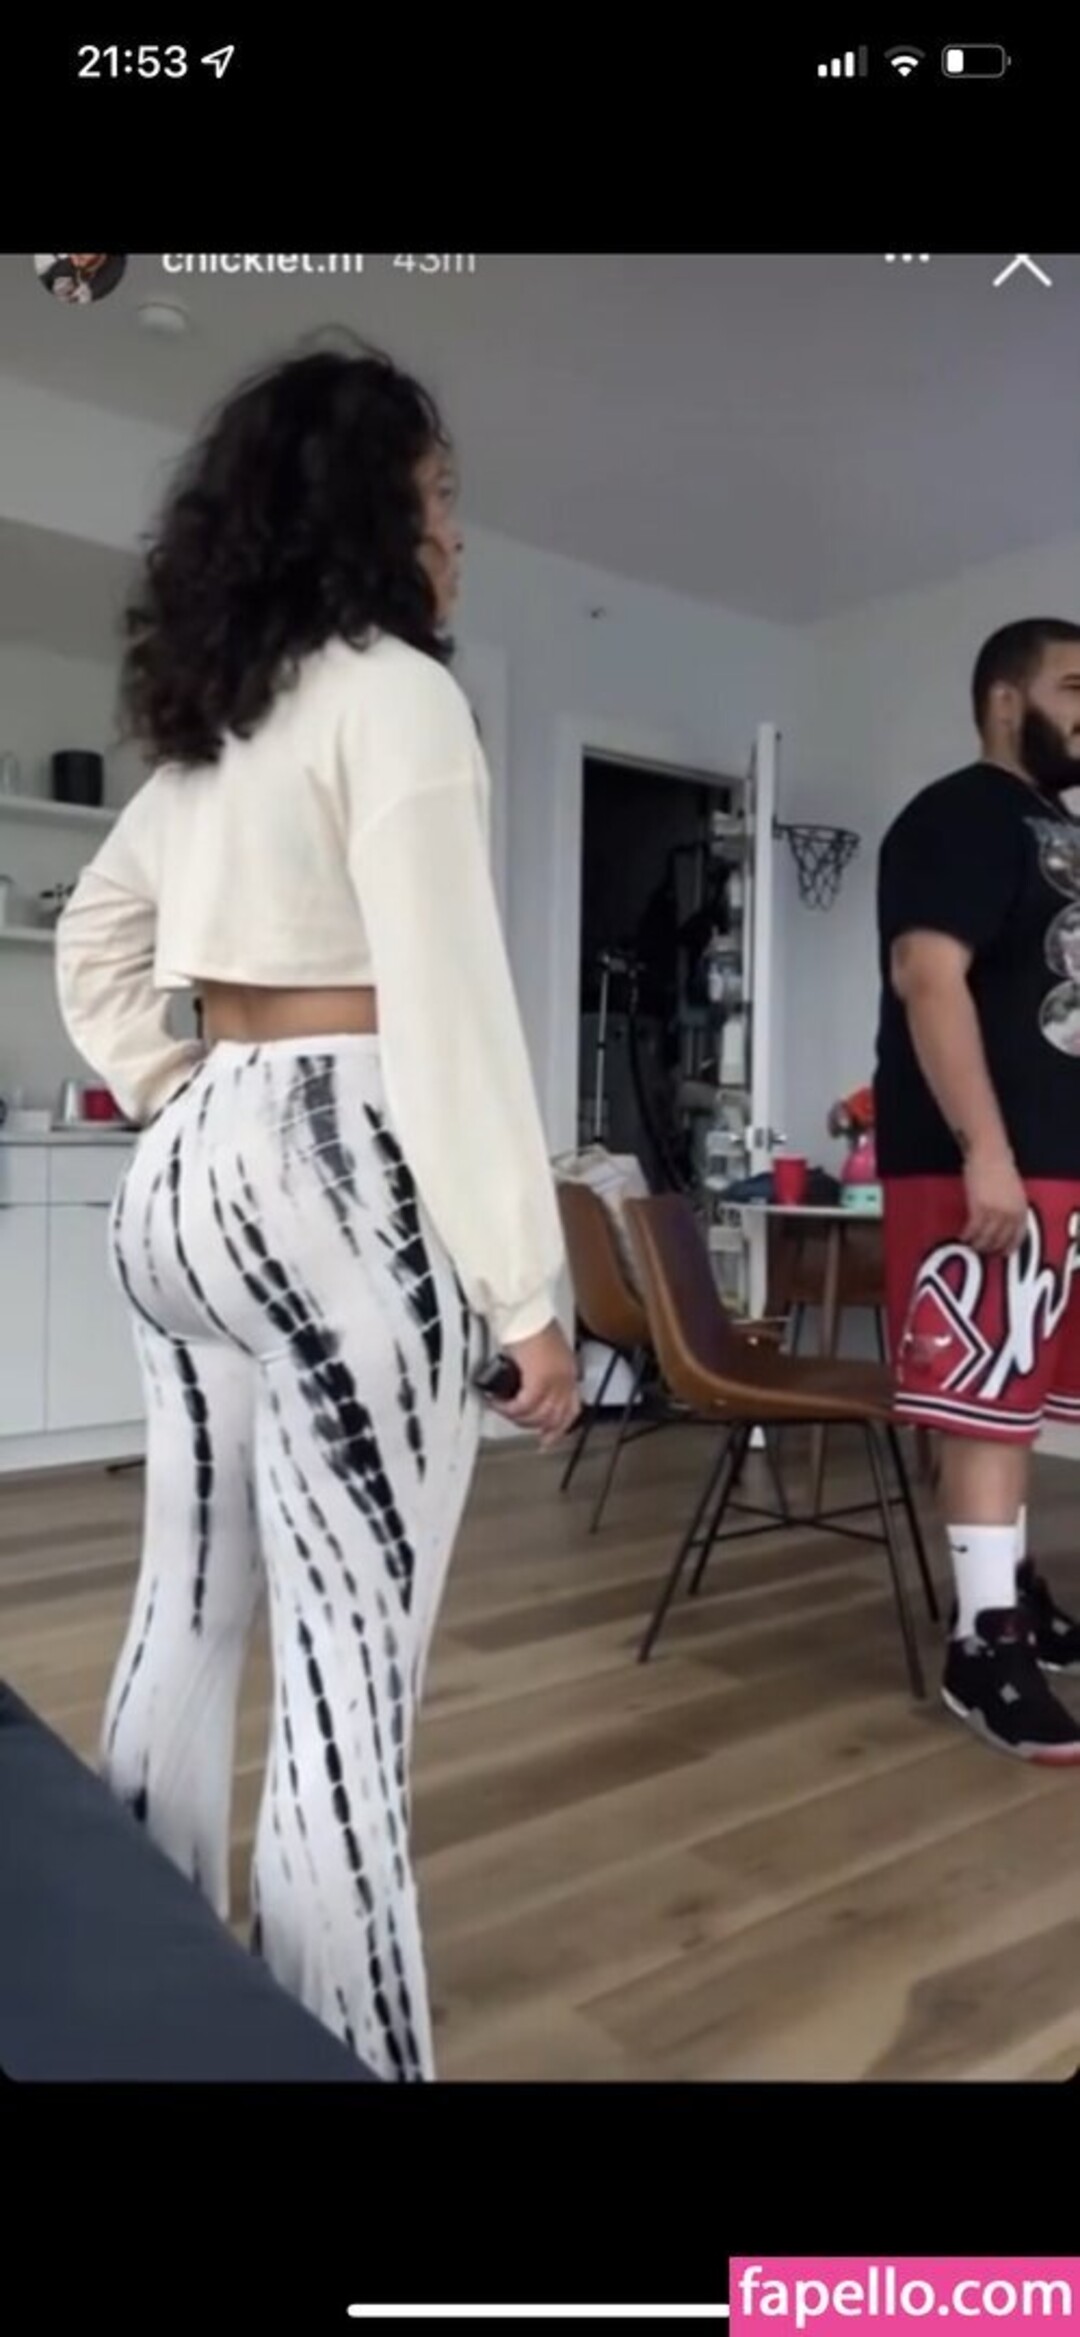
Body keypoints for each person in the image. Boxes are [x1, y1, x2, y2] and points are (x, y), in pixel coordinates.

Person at [53, 341, 580, 2079]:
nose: (457, 535)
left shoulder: (222, 723)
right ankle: (341, 2054)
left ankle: (123, 2012)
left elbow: (95, 933)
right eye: (438, 497)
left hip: (194, 1168)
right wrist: (526, 1291)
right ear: (367, 511)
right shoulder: (400, 699)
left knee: (186, 1607)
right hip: (343, 1162)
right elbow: (450, 1011)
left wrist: (168, 1082)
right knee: (348, 1680)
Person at [875, 617, 1080, 1763]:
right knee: (982, 1393)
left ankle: (1013, 1591)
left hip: (1057, 1158)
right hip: (985, 1158)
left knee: (1021, 1397)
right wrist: (984, 1150)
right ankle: (982, 1647)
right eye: (1075, 686)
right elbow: (929, 975)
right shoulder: (958, 812)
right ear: (1008, 700)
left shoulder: (1058, 830)